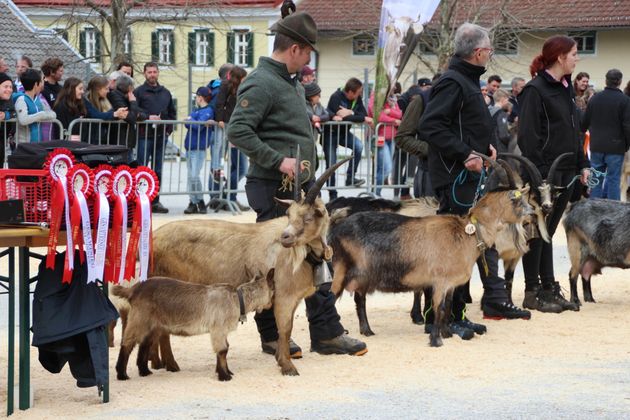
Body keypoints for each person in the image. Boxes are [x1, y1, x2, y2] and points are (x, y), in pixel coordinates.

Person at [228, 11, 367, 356]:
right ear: (294, 49)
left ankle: (326, 333)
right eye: (307, 53)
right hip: (273, 188)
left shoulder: (290, 82)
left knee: (315, 257)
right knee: (273, 265)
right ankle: (272, 335)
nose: (308, 60)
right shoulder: (262, 81)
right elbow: (238, 130)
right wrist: (278, 159)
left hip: (297, 190)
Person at [418, 22, 531, 337]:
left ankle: (456, 313)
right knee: (452, 249)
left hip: (468, 176)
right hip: (455, 177)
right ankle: (438, 317)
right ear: (479, 52)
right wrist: (465, 153)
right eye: (490, 50)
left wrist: (485, 147)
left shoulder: (466, 80)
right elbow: (430, 126)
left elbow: (465, 124)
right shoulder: (453, 82)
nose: (490, 55)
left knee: (466, 247)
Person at [518, 35, 590, 313]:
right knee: (536, 231)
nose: (577, 58)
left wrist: (582, 164)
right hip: (545, 175)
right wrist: (541, 176)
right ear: (560, 57)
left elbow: (574, 131)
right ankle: (532, 291)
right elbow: (528, 137)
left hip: (567, 171)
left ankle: (548, 287)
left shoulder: (565, 88)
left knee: (548, 232)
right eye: (574, 54)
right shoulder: (535, 90)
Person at [581, 69, 630, 200]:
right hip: (616, 147)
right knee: (613, 180)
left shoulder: (594, 99)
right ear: (620, 82)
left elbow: (584, 123)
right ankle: (613, 209)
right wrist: (627, 145)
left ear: (606, 81)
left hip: (596, 146)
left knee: (596, 179)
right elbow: (627, 126)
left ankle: (594, 209)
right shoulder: (625, 100)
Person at [134, 62, 176, 213]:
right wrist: (147, 117)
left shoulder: (166, 93)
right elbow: (134, 111)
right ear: (144, 74)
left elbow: (172, 114)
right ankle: (140, 201)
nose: (152, 74)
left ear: (158, 73)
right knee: (142, 168)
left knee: (158, 169)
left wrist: (168, 131)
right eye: (149, 72)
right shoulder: (138, 92)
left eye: (154, 72)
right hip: (144, 136)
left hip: (161, 136)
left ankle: (155, 201)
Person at [323, 77, 373, 199]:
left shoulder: (357, 99)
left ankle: (350, 178)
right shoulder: (336, 96)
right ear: (350, 92)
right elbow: (341, 116)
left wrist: (350, 112)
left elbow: (363, 115)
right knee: (331, 165)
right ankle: (333, 195)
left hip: (344, 133)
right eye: (358, 92)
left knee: (358, 146)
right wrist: (355, 116)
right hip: (330, 134)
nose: (360, 94)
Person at [213, 65, 249, 211]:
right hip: (228, 126)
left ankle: (228, 195)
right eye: (243, 77)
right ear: (237, 77)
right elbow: (219, 103)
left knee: (241, 168)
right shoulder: (225, 85)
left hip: (241, 127)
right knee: (231, 166)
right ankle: (229, 197)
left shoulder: (245, 88)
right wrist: (220, 119)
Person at [183, 86, 214, 215]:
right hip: (190, 147)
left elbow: (198, 126)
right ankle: (193, 202)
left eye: (197, 96)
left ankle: (199, 201)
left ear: (200, 97)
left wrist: (190, 120)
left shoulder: (208, 111)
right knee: (190, 177)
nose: (196, 98)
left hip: (198, 148)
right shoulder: (196, 110)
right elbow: (188, 123)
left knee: (194, 176)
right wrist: (191, 121)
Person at [368, 92, 401, 196]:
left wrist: (389, 111)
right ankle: (376, 193)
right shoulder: (376, 96)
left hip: (391, 137)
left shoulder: (392, 97)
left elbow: (400, 114)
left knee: (381, 168)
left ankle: (375, 193)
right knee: (386, 168)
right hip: (379, 137)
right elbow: (378, 116)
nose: (394, 88)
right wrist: (394, 120)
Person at [12, 68, 56, 143]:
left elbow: (53, 114)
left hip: (36, 143)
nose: (43, 83)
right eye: (42, 80)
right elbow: (23, 120)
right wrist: (41, 115)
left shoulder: (38, 100)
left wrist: (43, 115)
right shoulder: (21, 100)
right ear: (36, 84)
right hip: (23, 145)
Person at [85, 75, 128, 144]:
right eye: (106, 88)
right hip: (90, 140)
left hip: (103, 139)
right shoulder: (86, 101)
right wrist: (115, 114)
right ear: (98, 89)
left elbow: (107, 114)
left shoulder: (105, 100)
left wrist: (119, 114)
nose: (108, 91)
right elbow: (96, 114)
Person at [108, 74, 147, 150]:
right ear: (129, 87)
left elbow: (143, 114)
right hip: (119, 140)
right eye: (132, 87)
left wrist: (136, 113)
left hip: (127, 140)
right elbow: (131, 118)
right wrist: (133, 102)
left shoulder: (127, 97)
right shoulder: (115, 96)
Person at [489, 89, 515, 154]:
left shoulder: (488, 110)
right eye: (507, 100)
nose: (508, 102)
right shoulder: (501, 113)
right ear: (503, 99)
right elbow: (503, 135)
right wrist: (511, 138)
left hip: (489, 147)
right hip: (499, 149)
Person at [0, 73, 16, 165]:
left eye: (10, 87)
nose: (9, 90)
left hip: (2, 143)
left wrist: (6, 115)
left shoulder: (9, 101)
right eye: (5, 86)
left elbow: (14, 113)